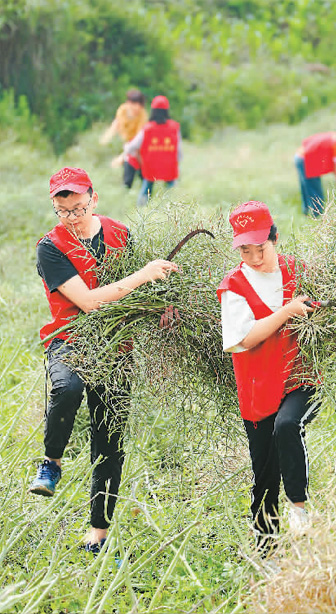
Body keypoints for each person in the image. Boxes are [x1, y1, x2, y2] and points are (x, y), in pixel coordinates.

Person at [29, 166, 177, 553]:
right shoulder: (51, 247)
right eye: (63, 212)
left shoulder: (121, 235)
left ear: (94, 199)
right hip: (71, 339)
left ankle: (98, 534)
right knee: (67, 387)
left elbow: (136, 292)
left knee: (109, 437)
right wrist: (144, 275)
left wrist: (159, 304)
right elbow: (90, 302)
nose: (72, 219)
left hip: (116, 345)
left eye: (78, 209)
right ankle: (52, 462)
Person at [217, 201, 319, 555]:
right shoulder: (233, 286)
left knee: (288, 425)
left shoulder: (299, 270)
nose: (255, 256)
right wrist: (287, 310)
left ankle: (300, 508)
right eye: (245, 249)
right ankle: (267, 555)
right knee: (263, 479)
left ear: (275, 238)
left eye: (261, 247)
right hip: (258, 389)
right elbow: (245, 339)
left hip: (299, 377)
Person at [124, 95, 181, 206]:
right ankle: (171, 214)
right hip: (169, 168)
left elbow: (131, 147)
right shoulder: (174, 128)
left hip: (151, 169)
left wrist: (130, 150)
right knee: (172, 193)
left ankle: (141, 214)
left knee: (146, 190)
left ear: (153, 111)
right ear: (166, 111)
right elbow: (179, 151)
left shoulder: (147, 128)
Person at [100, 88, 148, 189]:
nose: (136, 109)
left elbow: (137, 142)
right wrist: (105, 139)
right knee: (128, 170)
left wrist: (120, 158)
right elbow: (116, 124)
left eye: (139, 106)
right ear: (128, 103)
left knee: (141, 169)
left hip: (138, 145)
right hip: (128, 143)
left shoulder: (142, 115)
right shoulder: (122, 110)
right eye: (134, 105)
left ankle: (145, 187)